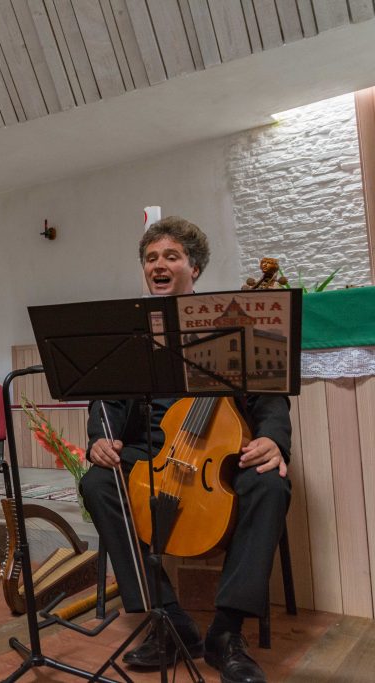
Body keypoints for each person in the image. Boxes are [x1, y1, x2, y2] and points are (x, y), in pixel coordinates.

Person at [80, 216, 291, 683]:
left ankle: (226, 631)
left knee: (270, 486)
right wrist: (100, 437)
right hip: (150, 455)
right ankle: (169, 619)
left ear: (194, 268)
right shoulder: (133, 332)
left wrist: (273, 439)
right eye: (151, 258)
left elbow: (269, 397)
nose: (159, 264)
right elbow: (106, 401)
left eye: (171, 256)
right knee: (98, 481)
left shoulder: (227, 324)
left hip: (221, 457)